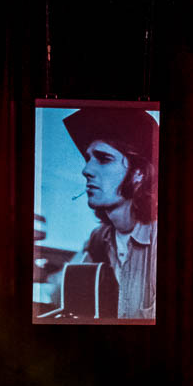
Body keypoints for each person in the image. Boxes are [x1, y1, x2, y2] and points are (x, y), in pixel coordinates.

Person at [63, 106, 159, 320]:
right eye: (88, 159)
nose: (86, 170)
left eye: (104, 159)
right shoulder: (99, 238)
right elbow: (61, 289)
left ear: (138, 174)